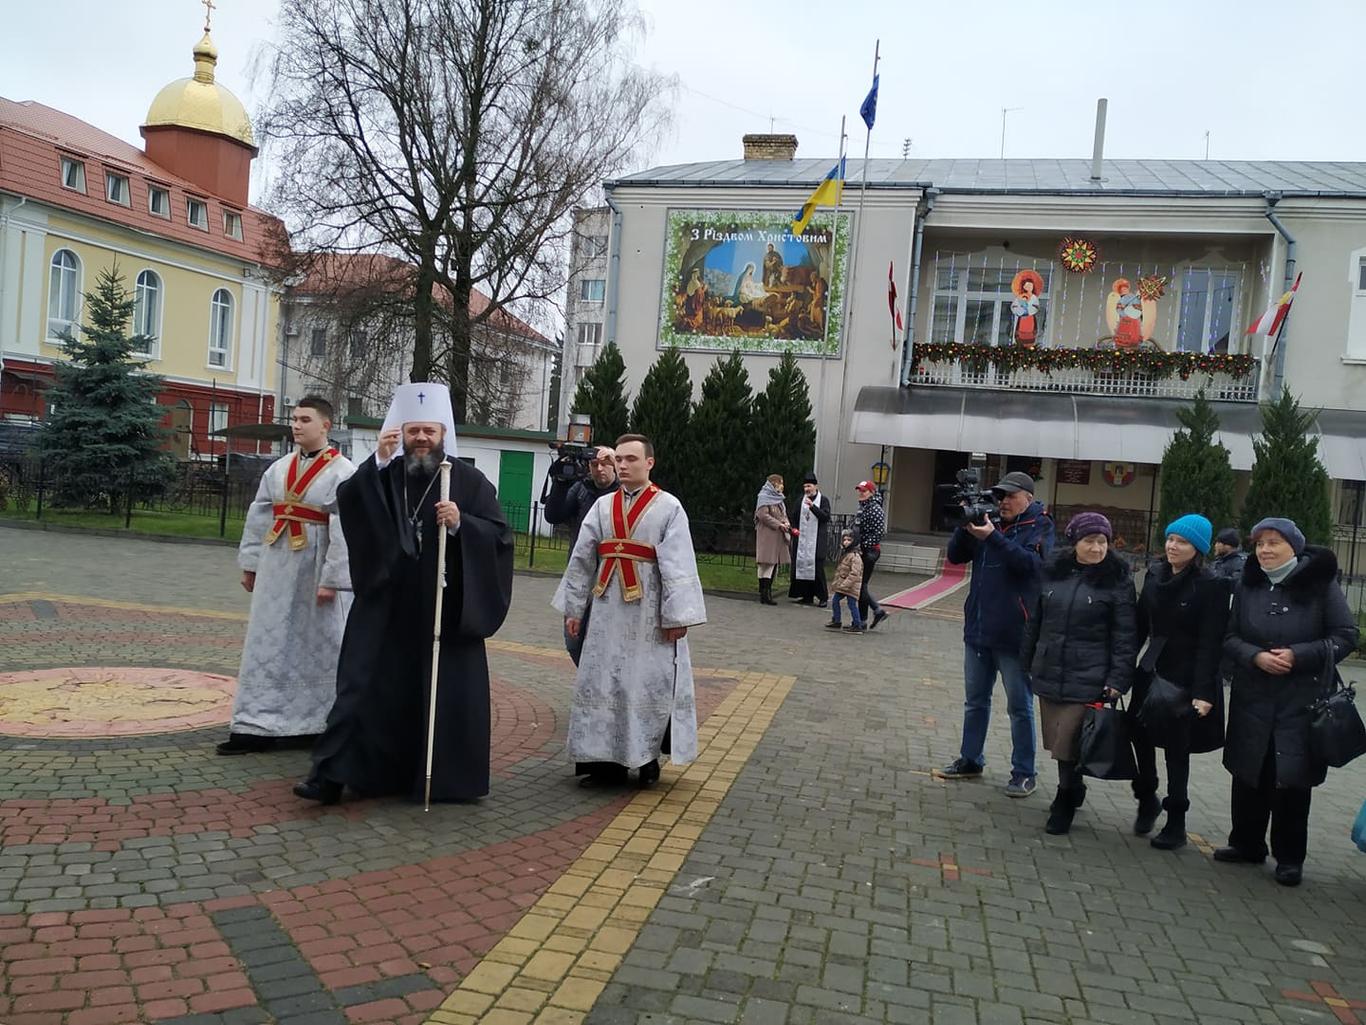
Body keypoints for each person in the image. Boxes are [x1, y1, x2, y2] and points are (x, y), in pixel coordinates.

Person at [294, 383, 514, 805]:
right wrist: (375, 461)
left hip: (442, 610)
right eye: (413, 431)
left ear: (443, 433)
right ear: (401, 432)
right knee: (359, 686)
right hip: (386, 603)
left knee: (440, 694)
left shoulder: (467, 481)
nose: (421, 439)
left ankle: (442, 779)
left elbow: (501, 537)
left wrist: (461, 523)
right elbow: (347, 502)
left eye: (429, 431)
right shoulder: (383, 474)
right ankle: (331, 776)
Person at [554, 434, 706, 788]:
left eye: (630, 460)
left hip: (649, 615)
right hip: (606, 609)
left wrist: (678, 617)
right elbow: (582, 557)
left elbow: (681, 564)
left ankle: (647, 759)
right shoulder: (602, 507)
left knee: (646, 685)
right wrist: (574, 608)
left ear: (649, 463)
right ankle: (604, 764)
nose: (621, 465)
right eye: (618, 459)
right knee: (604, 683)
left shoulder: (669, 507)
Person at [1216, 517, 1359, 886]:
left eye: (1273, 542)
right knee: (1249, 771)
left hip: (1302, 698)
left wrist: (1298, 655)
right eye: (1260, 543)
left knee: (1291, 778)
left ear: (1293, 547)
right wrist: (1254, 656)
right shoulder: (1248, 585)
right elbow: (1230, 636)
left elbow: (1345, 635)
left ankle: (1289, 856)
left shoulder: (1320, 585)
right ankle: (1246, 843)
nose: (1264, 549)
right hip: (1253, 695)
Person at [222, 396, 356, 755]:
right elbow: (259, 514)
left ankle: (314, 723)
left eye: (305, 419)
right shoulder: (278, 469)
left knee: (318, 645)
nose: (296, 425)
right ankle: (254, 723)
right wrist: (250, 564)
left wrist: (334, 579)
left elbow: (346, 528)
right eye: (294, 419)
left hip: (315, 568)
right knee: (268, 643)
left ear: (325, 425)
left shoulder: (344, 471)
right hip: (276, 565)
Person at [935, 471, 1054, 797]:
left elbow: (1033, 567)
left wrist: (993, 537)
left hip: (1016, 634)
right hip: (978, 628)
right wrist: (966, 526)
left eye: (1010, 496)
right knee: (975, 702)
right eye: (1000, 495)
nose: (1003, 502)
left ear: (1028, 497)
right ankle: (971, 759)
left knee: (1019, 706)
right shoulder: (989, 521)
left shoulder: (1040, 525)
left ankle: (1024, 772)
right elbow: (956, 556)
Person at [1021, 512, 1137, 834]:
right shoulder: (1054, 573)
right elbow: (1036, 621)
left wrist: (1117, 680)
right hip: (1049, 667)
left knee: (1069, 741)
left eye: (1102, 542)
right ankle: (1074, 786)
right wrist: (1027, 659)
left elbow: (1126, 636)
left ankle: (1064, 798)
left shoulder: (1118, 580)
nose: (1097, 548)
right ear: (1075, 542)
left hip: (1089, 674)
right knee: (1059, 740)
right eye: (1090, 541)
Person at [1129, 515, 1227, 849]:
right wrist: (1123, 669)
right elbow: (1139, 625)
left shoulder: (1212, 585)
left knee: (1176, 750)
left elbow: (1211, 643)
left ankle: (1176, 821)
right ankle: (1147, 797)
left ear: (1197, 549)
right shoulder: (1155, 575)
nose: (1172, 546)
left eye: (1182, 542)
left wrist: (1203, 692)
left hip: (1184, 677)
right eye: (1170, 538)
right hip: (1150, 670)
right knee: (1138, 734)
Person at [543, 446, 619, 664]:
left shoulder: (623, 493)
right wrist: (559, 482)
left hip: (612, 577)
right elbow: (553, 515)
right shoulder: (581, 489)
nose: (600, 468)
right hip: (581, 575)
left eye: (606, 463)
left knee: (606, 640)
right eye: (594, 464)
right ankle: (589, 678)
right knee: (573, 640)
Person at [789, 473, 831, 607]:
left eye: (809, 486)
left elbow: (825, 517)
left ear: (815, 486)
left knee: (817, 570)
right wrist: (793, 528)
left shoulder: (823, 500)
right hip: (802, 541)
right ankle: (806, 596)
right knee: (802, 568)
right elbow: (794, 517)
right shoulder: (800, 500)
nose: (807, 489)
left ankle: (823, 597)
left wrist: (813, 507)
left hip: (817, 542)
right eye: (805, 486)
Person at [853, 481, 890, 631]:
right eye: (860, 490)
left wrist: (863, 547)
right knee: (861, 585)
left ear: (871, 493)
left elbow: (878, 533)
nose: (861, 493)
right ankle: (870, 615)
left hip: (870, 552)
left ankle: (869, 616)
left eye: (864, 491)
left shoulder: (875, 510)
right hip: (861, 550)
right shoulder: (863, 508)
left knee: (861, 585)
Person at [754, 474, 791, 606]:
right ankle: (764, 593)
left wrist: (786, 523)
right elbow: (762, 515)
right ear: (773, 484)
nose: (782, 486)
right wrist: (778, 524)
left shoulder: (779, 499)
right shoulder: (764, 497)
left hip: (777, 535)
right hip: (767, 534)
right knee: (766, 562)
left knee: (771, 562)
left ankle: (766, 592)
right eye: (780, 483)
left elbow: (783, 514)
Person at [824, 529, 864, 634]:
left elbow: (854, 573)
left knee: (852, 604)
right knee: (835, 601)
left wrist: (845, 584)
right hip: (843, 585)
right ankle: (837, 620)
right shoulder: (847, 554)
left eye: (849, 540)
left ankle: (857, 624)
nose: (846, 542)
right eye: (844, 539)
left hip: (851, 586)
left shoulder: (855, 556)